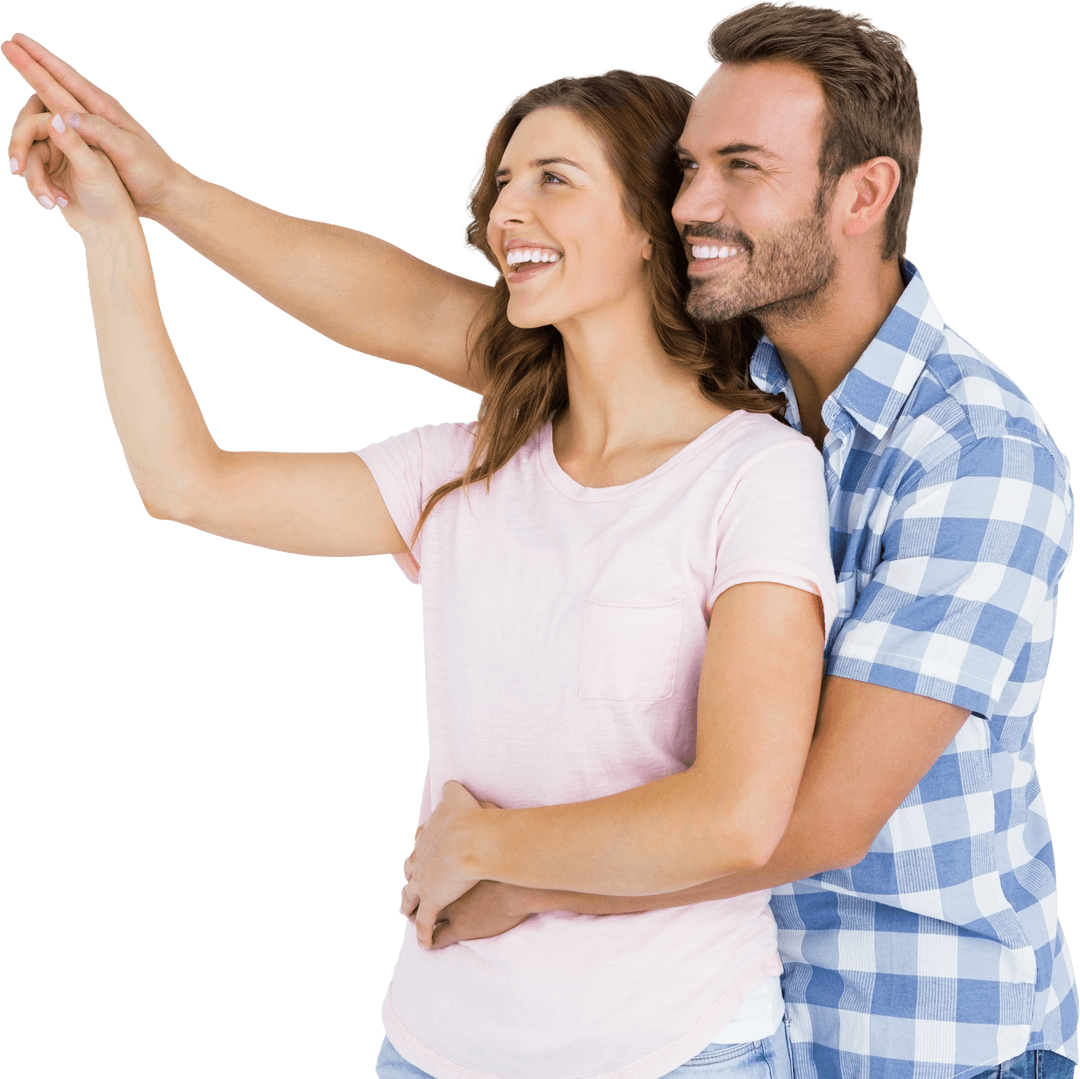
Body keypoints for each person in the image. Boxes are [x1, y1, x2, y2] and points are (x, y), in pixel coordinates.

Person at [4, 2, 1076, 1077]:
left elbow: (812, 817)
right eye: (688, 166)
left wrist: (503, 869)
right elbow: (409, 313)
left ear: (863, 194)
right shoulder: (716, 380)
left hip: (931, 1033)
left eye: (740, 167)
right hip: (721, 1005)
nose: (695, 197)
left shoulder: (974, 456)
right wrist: (156, 195)